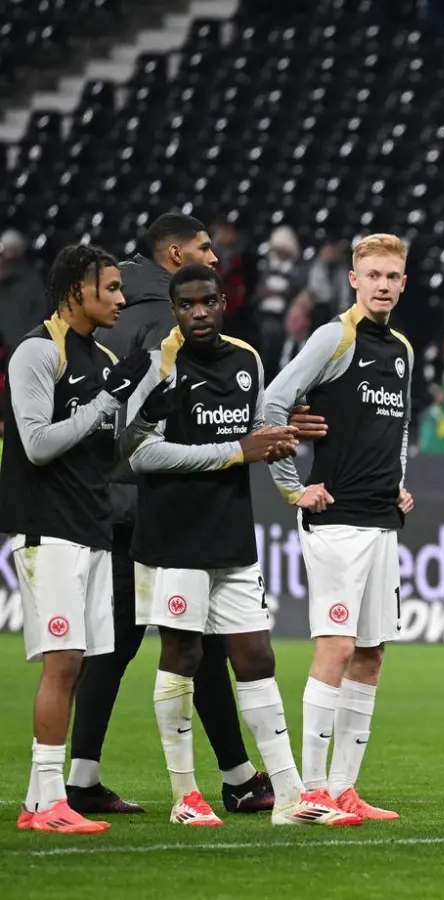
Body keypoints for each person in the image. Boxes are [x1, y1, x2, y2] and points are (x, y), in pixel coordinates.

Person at [121, 263, 359, 827]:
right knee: (183, 655)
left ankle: (292, 797)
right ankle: (186, 797)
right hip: (174, 537)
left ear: (224, 302)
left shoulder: (246, 360)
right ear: (175, 310)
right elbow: (138, 453)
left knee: (256, 655)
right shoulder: (158, 366)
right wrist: (235, 451)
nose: (198, 313)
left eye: (208, 302)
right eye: (187, 305)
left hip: (231, 532)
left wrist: (287, 453)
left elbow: (257, 435)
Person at [68, 212, 276, 817]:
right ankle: (234, 779)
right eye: (205, 250)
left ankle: (86, 775)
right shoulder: (170, 323)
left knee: (122, 638)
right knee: (195, 644)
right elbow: (146, 431)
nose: (214, 260)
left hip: (102, 498)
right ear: (175, 255)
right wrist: (242, 447)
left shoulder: (112, 309)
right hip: (154, 507)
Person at [262, 233, 416, 821]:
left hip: (381, 518)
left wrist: (399, 480)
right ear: (353, 279)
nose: (383, 284)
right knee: (337, 646)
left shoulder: (400, 347)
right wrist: (292, 486)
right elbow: (274, 404)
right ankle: (311, 792)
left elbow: (397, 427)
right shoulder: (335, 336)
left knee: (372, 654)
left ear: (404, 282)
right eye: (372, 274)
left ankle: (345, 789)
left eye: (392, 276)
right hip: (334, 518)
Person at [1, 245, 153, 833]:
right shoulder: (38, 351)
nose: (121, 298)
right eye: (110, 288)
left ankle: (47, 797)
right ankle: (42, 803)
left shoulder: (102, 354)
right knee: (63, 662)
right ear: (75, 292)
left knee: (84, 662)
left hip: (91, 526)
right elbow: (37, 443)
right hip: (51, 527)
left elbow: (105, 452)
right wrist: (107, 399)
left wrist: (140, 415)